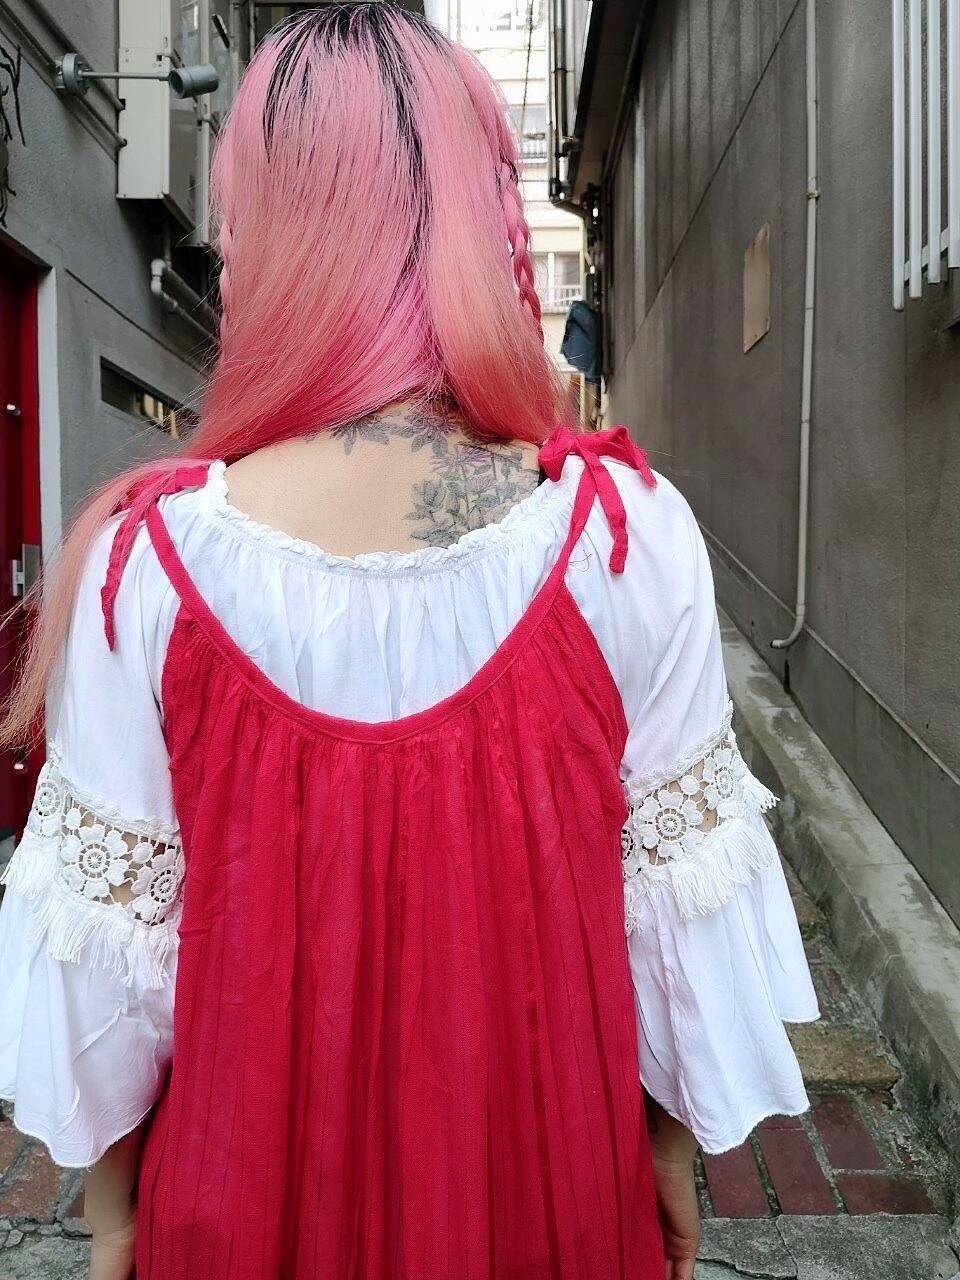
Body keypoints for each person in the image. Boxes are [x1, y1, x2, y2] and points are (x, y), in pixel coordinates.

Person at [0, 6, 818, 1278]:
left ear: (262, 236)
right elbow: (671, 923)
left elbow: (115, 986)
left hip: (245, 1209)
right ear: (480, 224)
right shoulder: (622, 540)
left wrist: (115, 1216)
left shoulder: (142, 572)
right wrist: (663, 1160)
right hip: (550, 1198)